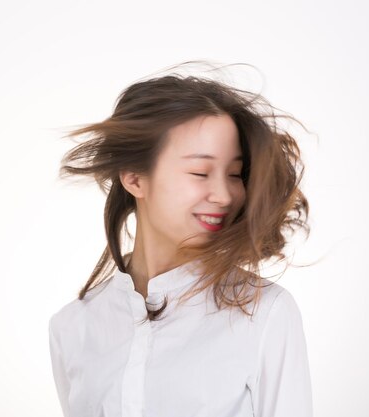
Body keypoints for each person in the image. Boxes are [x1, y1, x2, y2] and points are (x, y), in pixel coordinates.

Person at [48, 61, 313, 417]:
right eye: (200, 172)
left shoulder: (264, 313)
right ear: (134, 178)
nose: (224, 194)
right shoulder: (74, 327)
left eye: (234, 174)